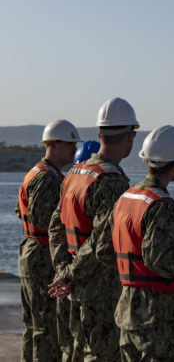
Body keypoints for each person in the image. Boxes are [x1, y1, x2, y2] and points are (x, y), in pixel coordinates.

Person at [48, 97, 139, 361]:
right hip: (100, 292)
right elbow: (100, 242)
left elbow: (56, 226)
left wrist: (62, 269)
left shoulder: (75, 173)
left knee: (74, 353)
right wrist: (69, 276)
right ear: (130, 137)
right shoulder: (112, 181)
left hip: (72, 287)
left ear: (99, 134)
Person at [112, 125, 174, 361]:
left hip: (127, 308)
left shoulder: (126, 198)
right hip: (157, 316)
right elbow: (160, 262)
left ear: (146, 161)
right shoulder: (162, 206)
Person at [15, 120, 81, 362]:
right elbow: (43, 218)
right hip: (42, 256)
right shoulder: (47, 178)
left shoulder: (37, 173)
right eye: (69, 143)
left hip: (33, 252)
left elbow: (20, 211)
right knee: (47, 329)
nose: (74, 148)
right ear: (52, 144)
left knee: (34, 327)